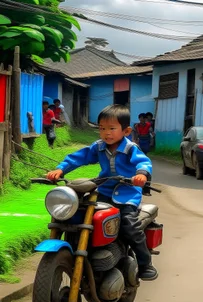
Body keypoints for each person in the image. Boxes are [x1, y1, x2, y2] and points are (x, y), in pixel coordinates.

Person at [47, 104, 158, 281]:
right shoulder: (98, 147)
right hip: (104, 191)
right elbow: (79, 157)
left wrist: (141, 175)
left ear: (126, 130)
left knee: (130, 226)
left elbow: (143, 162)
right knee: (80, 216)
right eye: (102, 128)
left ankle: (145, 264)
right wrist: (60, 170)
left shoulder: (130, 148)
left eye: (112, 129)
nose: (107, 133)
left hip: (127, 194)